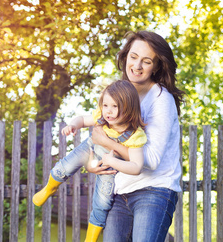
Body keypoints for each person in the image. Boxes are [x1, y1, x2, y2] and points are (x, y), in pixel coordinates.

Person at [91, 30, 184, 241]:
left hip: (154, 191)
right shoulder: (121, 97)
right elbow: (105, 144)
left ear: (157, 66)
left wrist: (105, 141)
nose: (137, 66)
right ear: (125, 57)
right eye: (133, 57)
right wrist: (94, 163)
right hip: (119, 192)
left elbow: (149, 160)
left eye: (146, 61)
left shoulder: (161, 99)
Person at [33, 80, 147, 242]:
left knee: (103, 202)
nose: (109, 111)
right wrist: (73, 125)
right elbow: (83, 119)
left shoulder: (135, 134)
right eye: (105, 105)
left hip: (109, 166)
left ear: (129, 107)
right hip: (89, 149)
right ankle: (49, 188)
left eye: (115, 106)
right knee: (64, 166)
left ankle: (90, 239)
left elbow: (137, 167)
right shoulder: (102, 116)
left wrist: (112, 161)